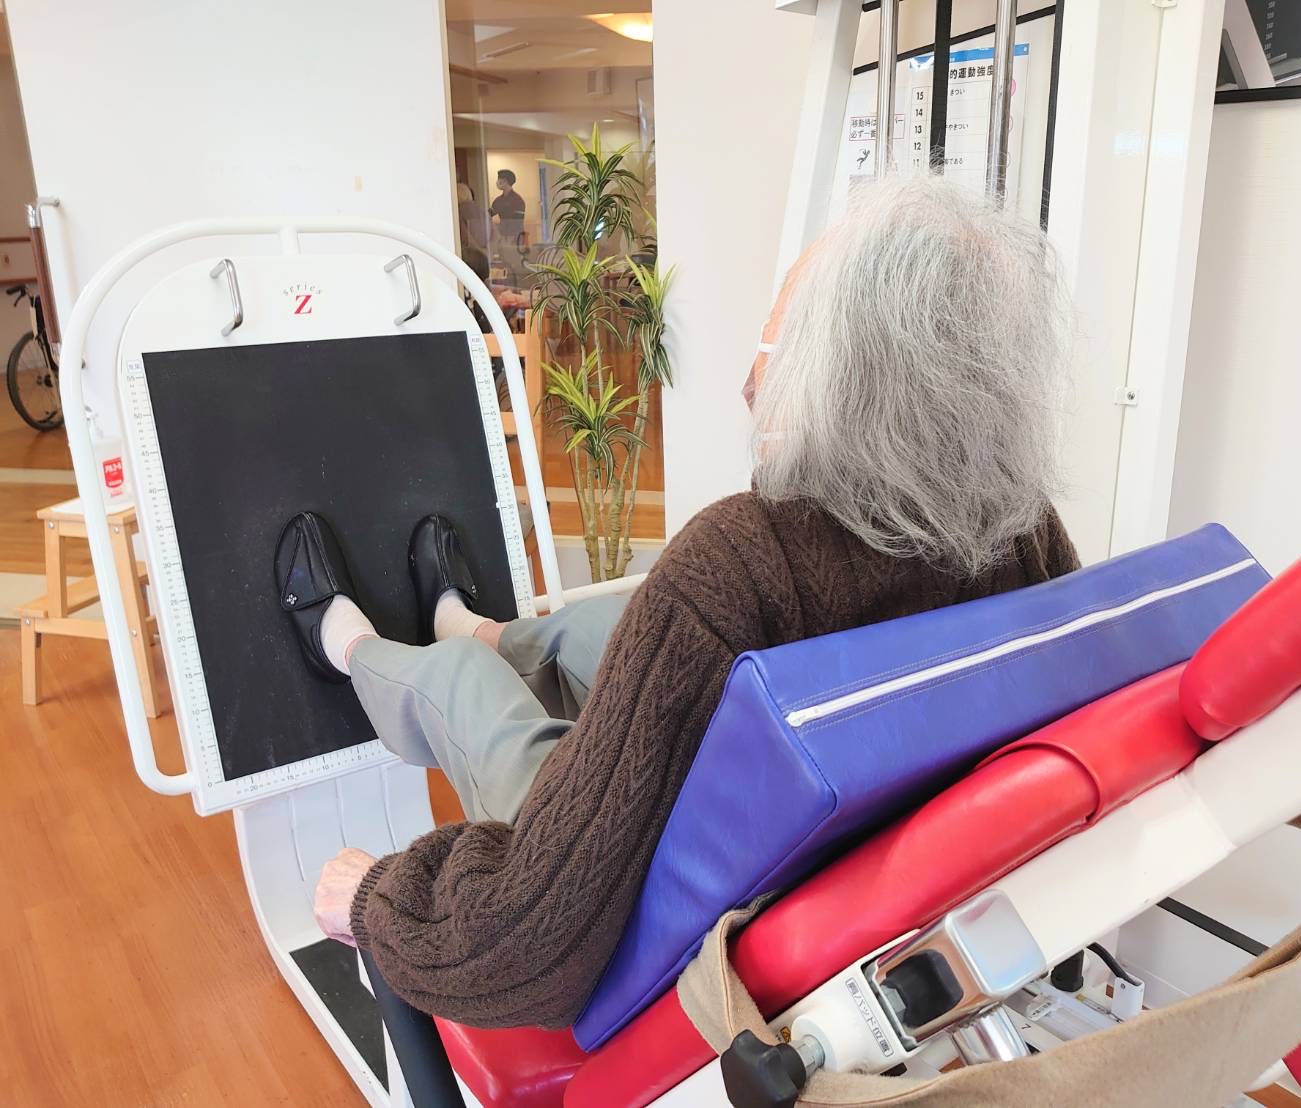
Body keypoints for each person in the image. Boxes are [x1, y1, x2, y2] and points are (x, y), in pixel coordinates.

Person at [291, 173, 1079, 1029]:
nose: (749, 384)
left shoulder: (742, 560)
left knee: (462, 686)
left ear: (847, 379)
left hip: (666, 890)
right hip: (804, 811)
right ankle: (481, 627)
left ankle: (351, 648)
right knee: (593, 629)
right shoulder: (1024, 532)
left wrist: (376, 896)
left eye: (776, 345)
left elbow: (521, 945)